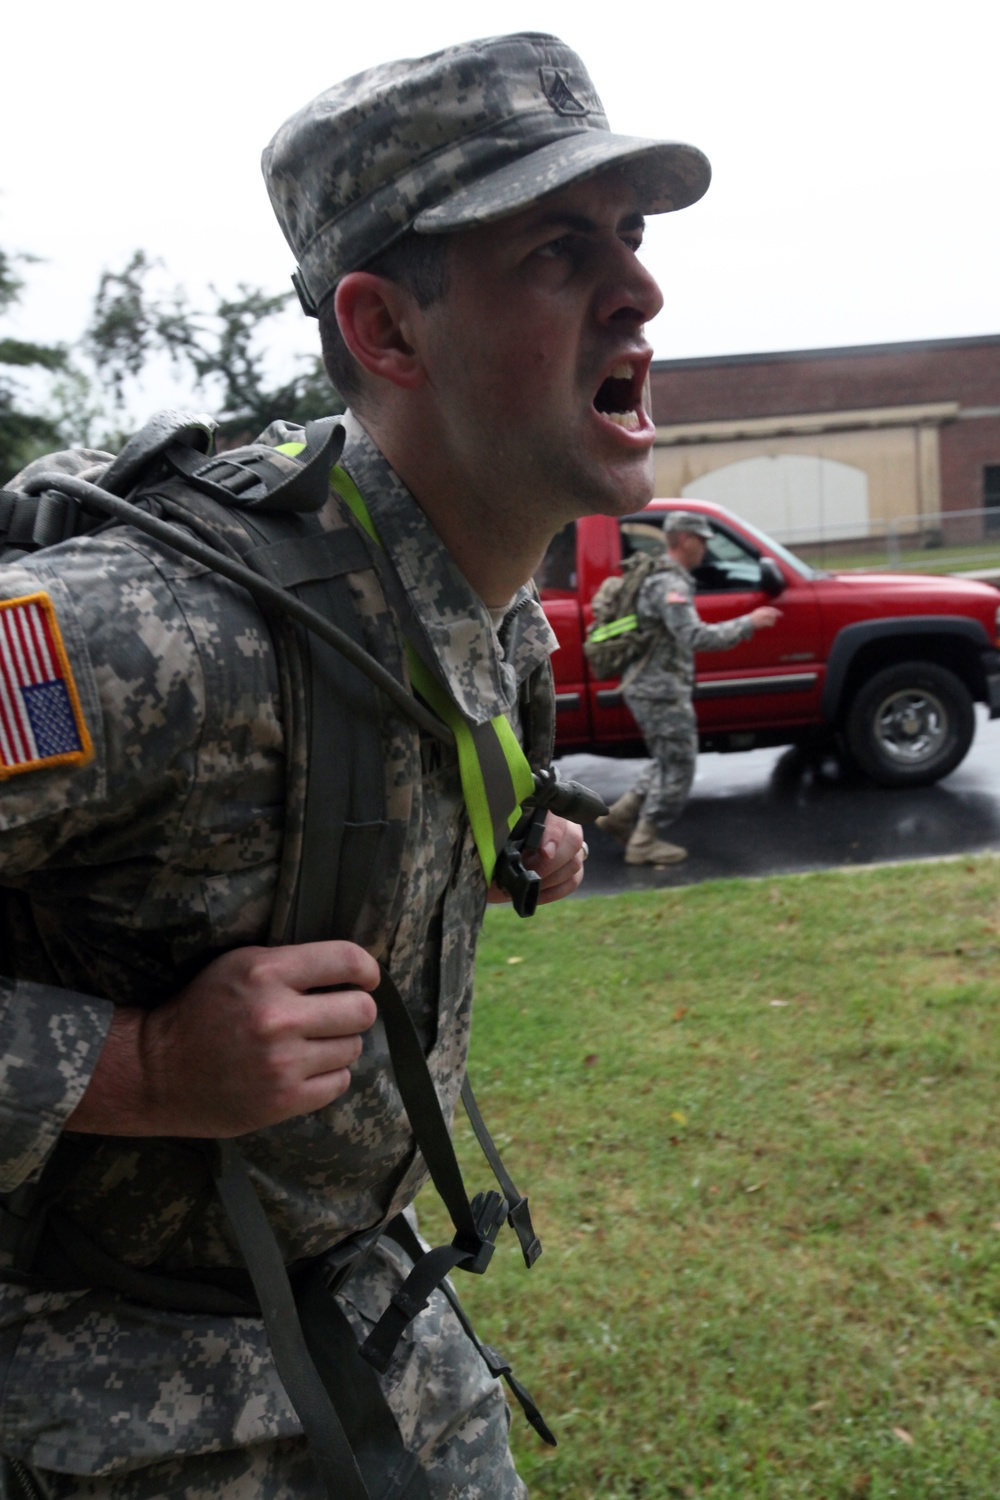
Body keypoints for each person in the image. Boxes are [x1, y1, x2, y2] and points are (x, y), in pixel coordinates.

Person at [0, 33, 712, 1500]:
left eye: (631, 240)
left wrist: (511, 827)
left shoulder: (483, 600)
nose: (642, 289)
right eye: (561, 251)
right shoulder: (152, 634)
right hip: (116, 1426)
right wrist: (129, 1070)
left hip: (388, 1347)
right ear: (387, 331)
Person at [598, 512, 781, 865]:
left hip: (648, 686)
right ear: (685, 540)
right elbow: (695, 636)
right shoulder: (671, 585)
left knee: (666, 759)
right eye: (702, 540)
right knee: (680, 765)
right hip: (660, 691)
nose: (705, 547)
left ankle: (619, 816)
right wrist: (749, 623)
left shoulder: (658, 577)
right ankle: (644, 842)